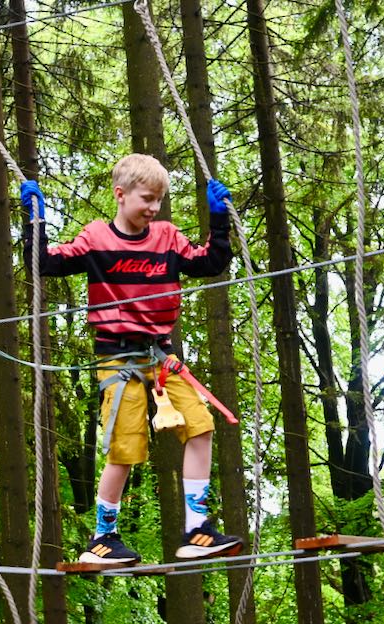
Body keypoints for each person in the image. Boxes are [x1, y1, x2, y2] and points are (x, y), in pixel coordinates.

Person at [20, 153, 244, 565]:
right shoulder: (95, 240)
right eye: (147, 198)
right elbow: (44, 263)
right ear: (120, 195)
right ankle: (102, 539)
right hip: (118, 359)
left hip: (162, 356)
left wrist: (218, 222)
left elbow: (210, 262)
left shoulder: (168, 238)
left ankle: (197, 529)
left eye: (159, 200)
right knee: (125, 447)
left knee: (201, 426)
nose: (154, 208)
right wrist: (34, 222)